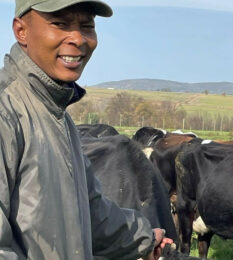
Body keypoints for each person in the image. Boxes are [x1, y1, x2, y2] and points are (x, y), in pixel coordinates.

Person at [0, 0, 172, 259]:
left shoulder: (57, 116)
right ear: (21, 30)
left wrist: (145, 237)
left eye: (87, 26)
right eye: (60, 23)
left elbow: (91, 215)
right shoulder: (7, 112)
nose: (78, 38)